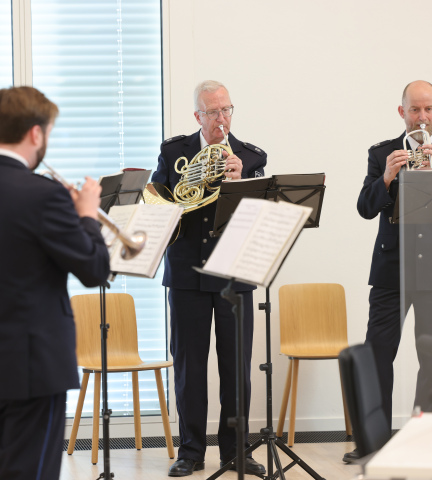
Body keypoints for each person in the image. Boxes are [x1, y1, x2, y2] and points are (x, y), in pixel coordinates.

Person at [0, 85, 110, 479]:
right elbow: (94, 269)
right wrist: (87, 215)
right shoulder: (44, 195)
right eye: (49, 132)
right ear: (35, 133)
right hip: (32, 367)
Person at [152, 80, 267, 477]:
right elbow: (159, 200)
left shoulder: (250, 157)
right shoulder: (174, 151)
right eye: (213, 112)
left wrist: (238, 182)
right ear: (197, 116)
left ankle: (236, 451)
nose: (222, 119)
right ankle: (191, 451)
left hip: (235, 272)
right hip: (186, 272)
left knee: (236, 368)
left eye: (227, 110)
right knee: (189, 368)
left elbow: (261, 215)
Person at [353, 80, 432, 462]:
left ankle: (429, 440)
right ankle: (372, 442)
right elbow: (364, 207)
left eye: (428, 109)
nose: (422, 117)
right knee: (377, 354)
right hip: (392, 268)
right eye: (414, 110)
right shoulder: (381, 153)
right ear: (401, 112)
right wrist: (386, 178)